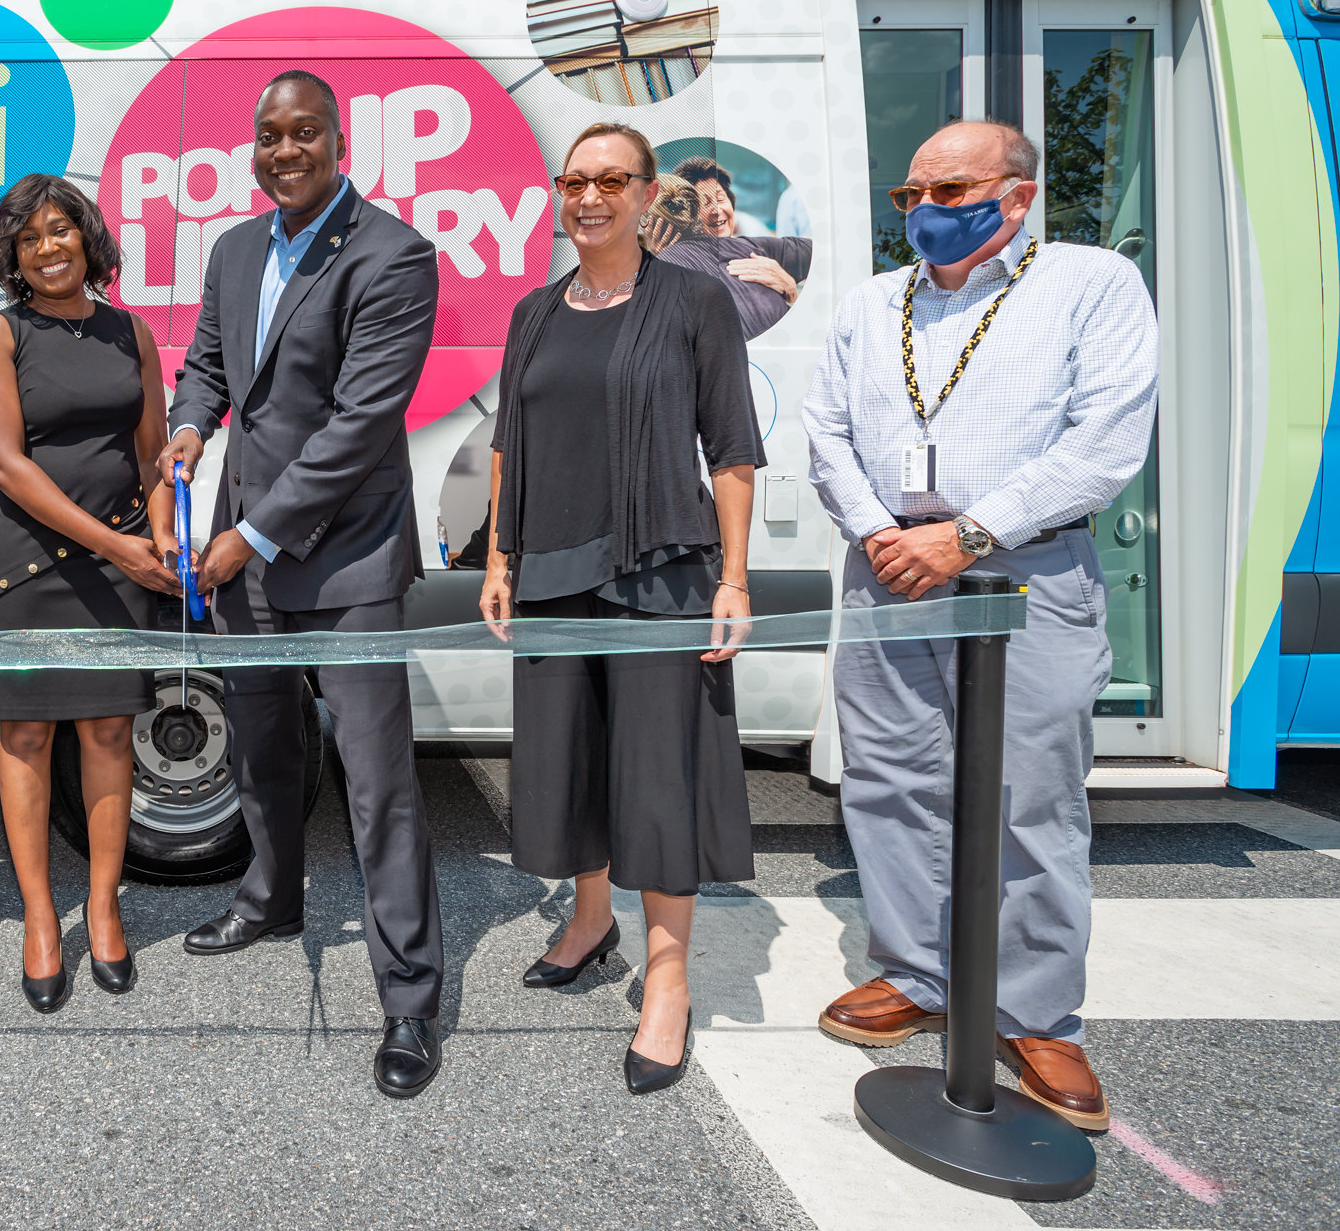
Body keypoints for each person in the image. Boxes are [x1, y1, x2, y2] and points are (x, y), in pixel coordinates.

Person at [802, 119, 1158, 1132]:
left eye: (947, 187)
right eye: (908, 192)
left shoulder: (1087, 284)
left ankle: (1033, 1013)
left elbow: (1107, 436)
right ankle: (913, 972)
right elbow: (825, 427)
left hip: (1023, 570)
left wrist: (965, 534)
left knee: (1027, 793)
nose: (922, 208)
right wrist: (879, 531)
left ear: (1013, 195)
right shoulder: (873, 304)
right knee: (889, 778)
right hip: (884, 572)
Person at [160, 70, 446, 1099]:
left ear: (336, 138)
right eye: (267, 136)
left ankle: (408, 998)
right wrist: (189, 427)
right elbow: (204, 364)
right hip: (242, 554)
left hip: (344, 556)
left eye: (302, 133)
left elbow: (359, 424)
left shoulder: (392, 254)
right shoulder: (235, 249)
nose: (283, 151)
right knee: (261, 747)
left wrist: (251, 532)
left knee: (378, 787)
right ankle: (271, 894)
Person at [479, 121, 762, 1095]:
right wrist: (499, 556)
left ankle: (669, 977)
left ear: (648, 195)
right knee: (566, 765)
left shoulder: (692, 300)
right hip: (551, 569)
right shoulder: (531, 312)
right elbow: (509, 441)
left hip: (661, 571)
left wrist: (732, 576)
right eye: (572, 181)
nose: (588, 196)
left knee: (654, 777)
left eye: (610, 180)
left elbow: (730, 447)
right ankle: (591, 919)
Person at [0, 175, 179, 1014]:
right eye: (31, 238)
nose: (49, 247)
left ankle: (103, 905)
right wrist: (118, 545)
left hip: (121, 556)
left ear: (89, 238)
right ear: (13, 255)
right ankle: (40, 918)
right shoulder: (0, 333)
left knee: (108, 733)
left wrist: (158, 532)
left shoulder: (132, 332)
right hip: (31, 566)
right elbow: (7, 465)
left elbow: (153, 449)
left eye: (62, 231)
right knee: (24, 734)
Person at [649, 156, 812, 340]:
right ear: (687, 214)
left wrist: (791, 289)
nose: (717, 210)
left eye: (720, 198)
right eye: (704, 203)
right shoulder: (664, 269)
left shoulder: (758, 249)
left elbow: (825, 251)